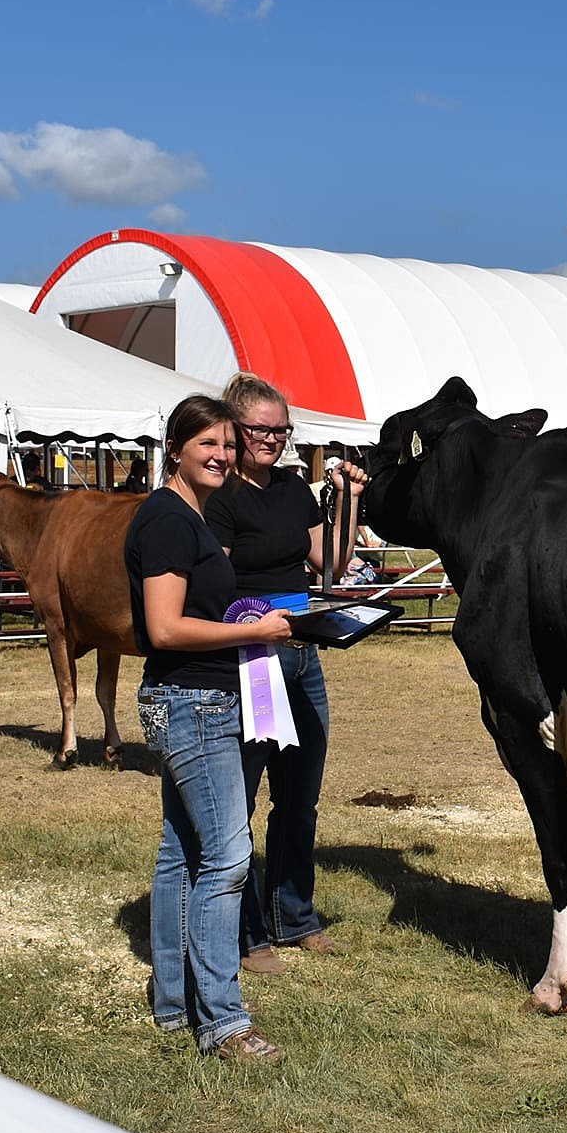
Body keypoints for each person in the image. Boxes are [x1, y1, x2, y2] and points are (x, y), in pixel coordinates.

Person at [127, 393, 294, 1062]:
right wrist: (250, 631)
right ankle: (223, 1021)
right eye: (209, 444)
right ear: (176, 448)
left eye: (228, 443)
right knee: (227, 858)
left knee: (180, 853)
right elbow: (165, 627)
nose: (223, 454)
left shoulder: (184, 513)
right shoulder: (169, 519)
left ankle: (174, 1002)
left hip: (191, 697)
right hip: (194, 702)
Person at [205, 372, 368, 972]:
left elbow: (333, 559)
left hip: (304, 652)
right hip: (250, 654)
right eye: (261, 430)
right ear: (235, 427)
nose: (273, 439)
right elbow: (214, 579)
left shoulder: (296, 490)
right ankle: (248, 934)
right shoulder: (219, 497)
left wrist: (347, 501)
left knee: (300, 800)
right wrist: (256, 619)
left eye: (282, 430)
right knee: (243, 801)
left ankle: (295, 916)